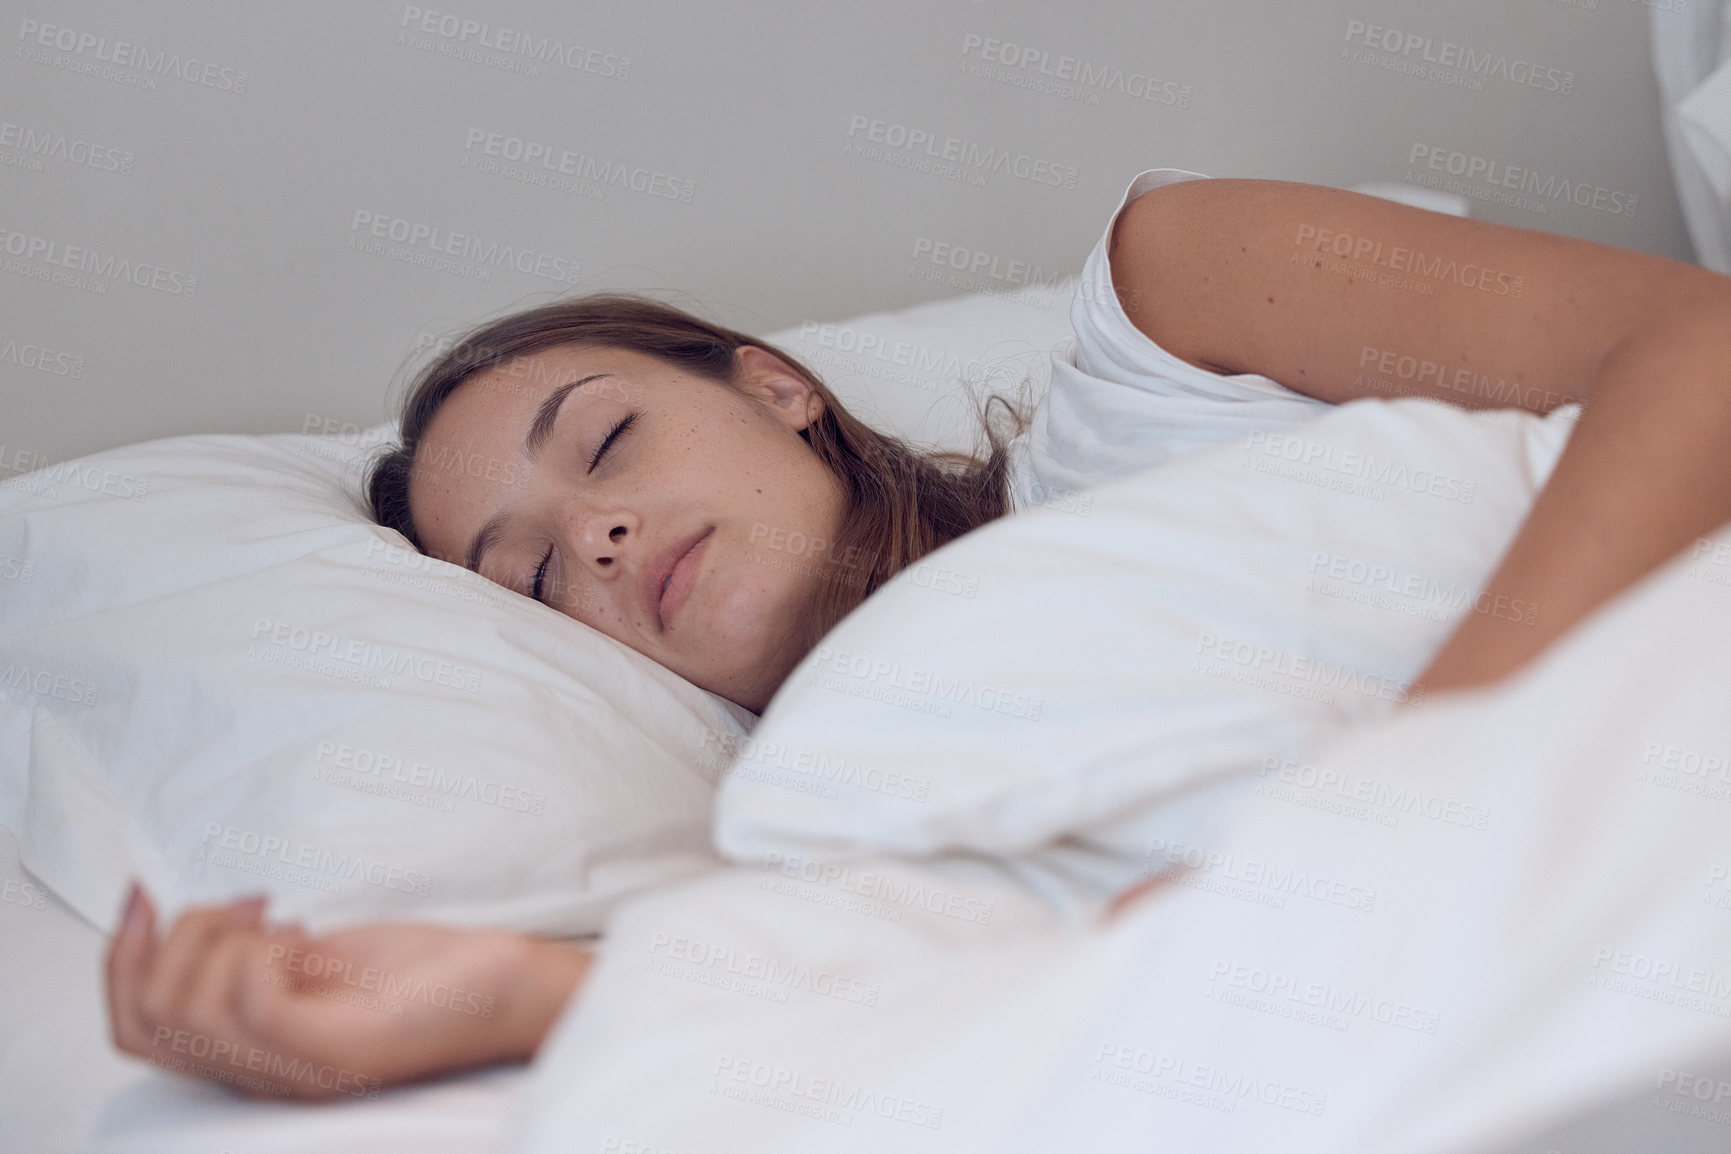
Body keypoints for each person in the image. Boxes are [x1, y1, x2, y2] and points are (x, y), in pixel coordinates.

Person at [105, 168, 1731, 1100]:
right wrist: (523, 997)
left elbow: (1701, 346)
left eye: (604, 445)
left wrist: (1411, 796)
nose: (591, 538)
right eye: (531, 578)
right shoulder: (840, 831)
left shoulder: (1172, 323)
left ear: (776, 382)